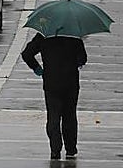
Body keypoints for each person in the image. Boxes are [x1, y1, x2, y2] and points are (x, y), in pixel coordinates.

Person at [22, 32, 87, 160]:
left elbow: (27, 54)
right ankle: (71, 148)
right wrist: (75, 62)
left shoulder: (44, 35)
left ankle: (55, 149)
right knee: (70, 115)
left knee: (53, 116)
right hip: (71, 82)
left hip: (51, 82)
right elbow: (83, 58)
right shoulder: (73, 35)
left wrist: (37, 68)